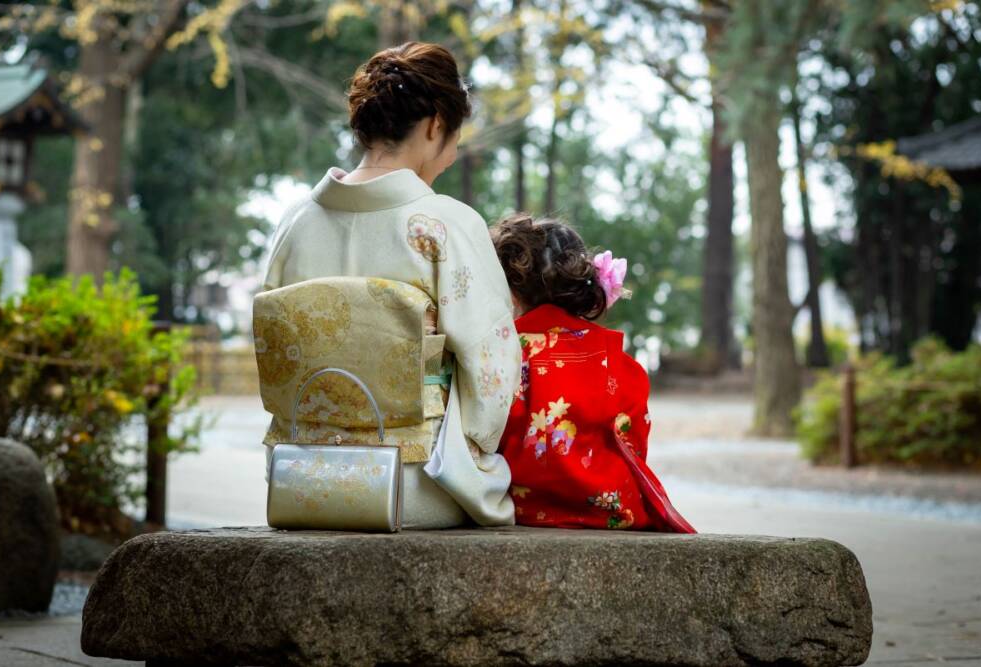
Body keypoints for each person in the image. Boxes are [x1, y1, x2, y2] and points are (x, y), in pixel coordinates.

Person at [259, 42, 521, 528]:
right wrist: (476, 454)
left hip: (304, 476)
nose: (454, 151)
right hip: (415, 483)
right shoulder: (445, 225)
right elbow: (493, 367)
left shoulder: (294, 224)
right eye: (456, 135)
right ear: (434, 125)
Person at [491, 213, 695, 532]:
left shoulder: (505, 352)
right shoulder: (618, 360)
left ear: (511, 291)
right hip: (610, 510)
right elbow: (634, 444)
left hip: (524, 508)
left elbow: (489, 436)